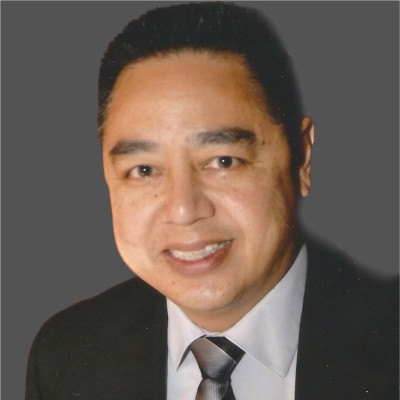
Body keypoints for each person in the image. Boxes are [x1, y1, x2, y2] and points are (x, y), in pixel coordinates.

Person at [25, 3, 398, 399]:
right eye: (144, 170)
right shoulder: (66, 356)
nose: (184, 210)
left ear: (302, 158)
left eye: (223, 161)